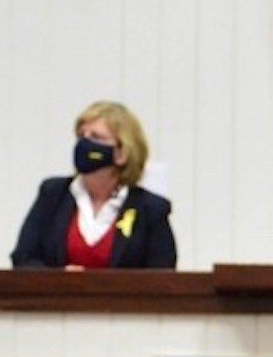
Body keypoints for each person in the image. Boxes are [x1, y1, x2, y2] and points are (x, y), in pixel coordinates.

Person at [10, 101, 177, 269]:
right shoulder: (53, 195)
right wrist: (59, 279)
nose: (84, 144)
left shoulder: (151, 209)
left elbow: (162, 278)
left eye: (96, 137)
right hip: (58, 296)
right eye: (82, 136)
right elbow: (23, 258)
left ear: (122, 153)